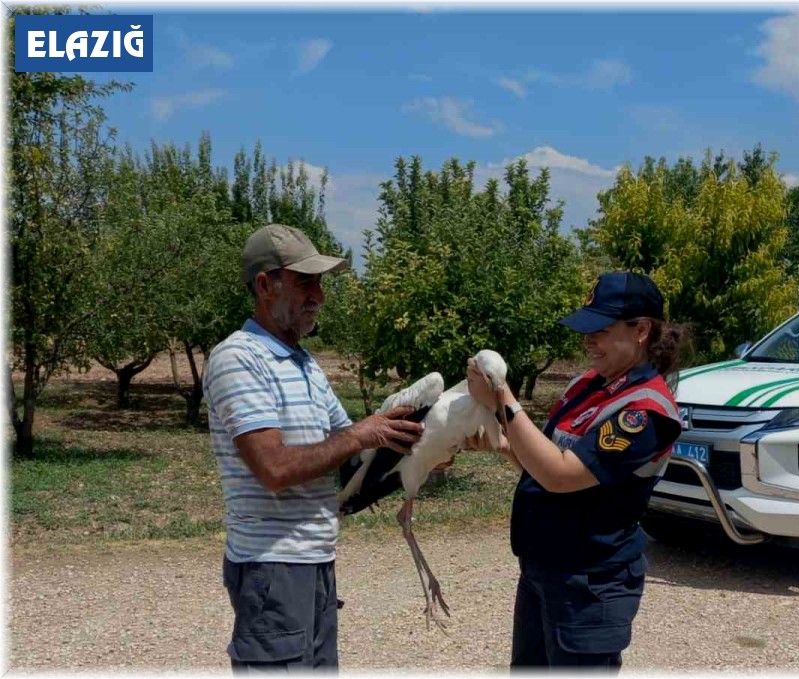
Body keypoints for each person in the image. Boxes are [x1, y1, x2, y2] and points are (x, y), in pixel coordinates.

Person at [203, 224, 425, 672]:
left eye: (320, 283)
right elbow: (274, 469)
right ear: (266, 285)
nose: (319, 296)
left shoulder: (305, 364)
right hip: (272, 566)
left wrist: (418, 453)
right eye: (306, 282)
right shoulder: (238, 358)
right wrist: (360, 435)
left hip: (315, 560)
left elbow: (351, 463)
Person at [466, 271, 687, 671]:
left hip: (590, 582)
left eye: (600, 329)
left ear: (640, 330)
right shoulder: (588, 385)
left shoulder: (646, 411)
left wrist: (502, 396)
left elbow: (562, 475)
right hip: (545, 569)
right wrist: (503, 443)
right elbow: (543, 463)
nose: (588, 341)